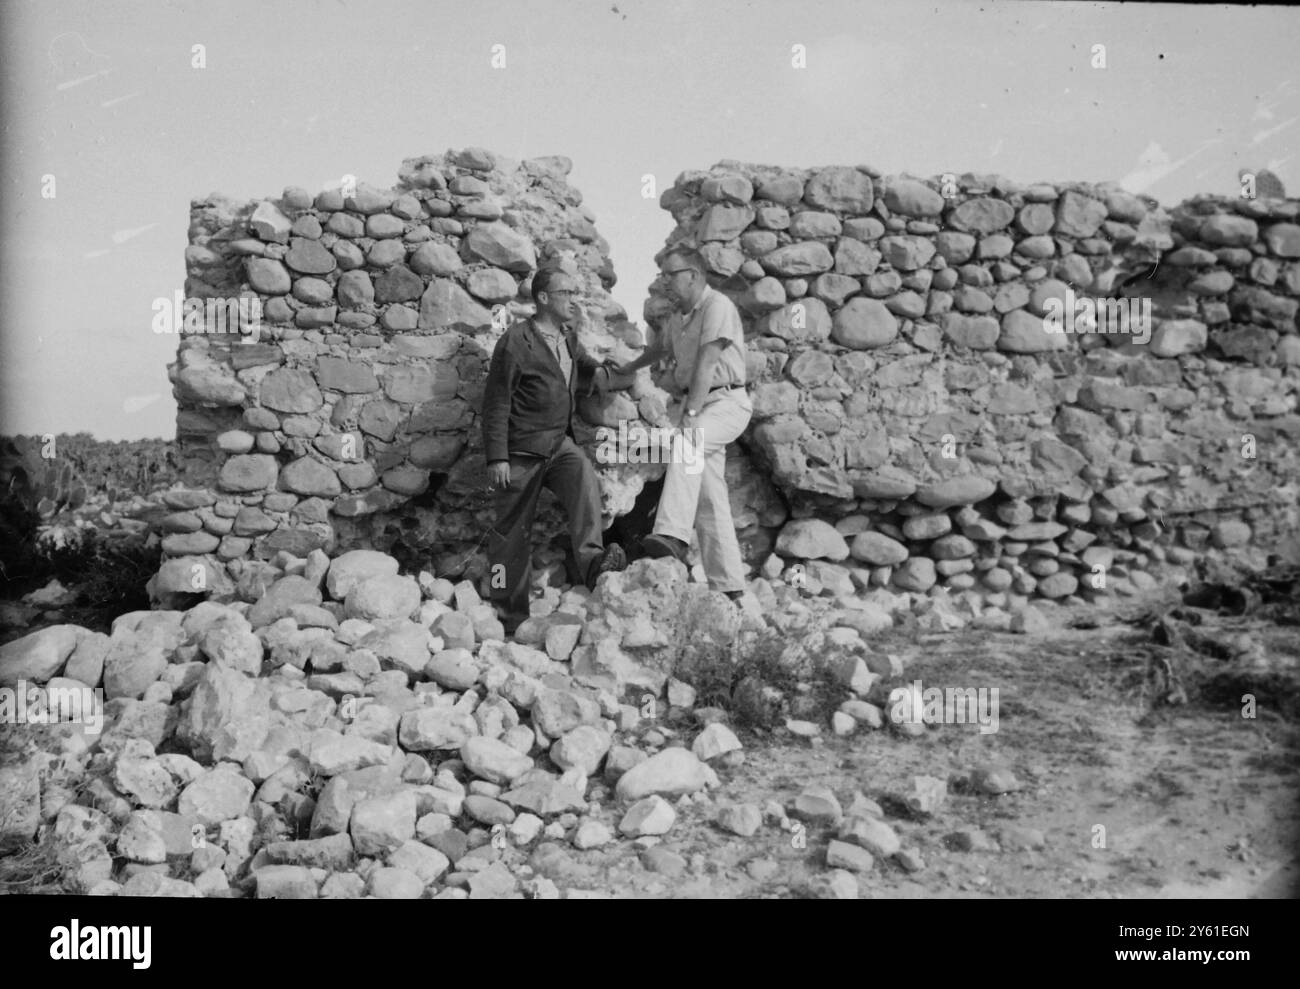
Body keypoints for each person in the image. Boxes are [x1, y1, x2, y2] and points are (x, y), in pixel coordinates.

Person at [481, 265, 628, 633]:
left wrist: (614, 373)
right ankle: (507, 611)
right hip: (520, 450)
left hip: (560, 444)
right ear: (543, 298)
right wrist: (497, 456)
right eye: (566, 294)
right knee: (510, 532)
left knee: (583, 480)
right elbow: (496, 401)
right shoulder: (516, 341)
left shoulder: (568, 340)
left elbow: (593, 372)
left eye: (576, 294)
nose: (573, 301)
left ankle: (596, 565)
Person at [612, 247, 753, 603]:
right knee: (709, 495)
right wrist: (627, 369)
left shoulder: (717, 306)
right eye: (662, 275)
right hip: (701, 403)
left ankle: (673, 535)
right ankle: (729, 585)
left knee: (688, 445)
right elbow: (659, 351)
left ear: (693, 274)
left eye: (670, 274)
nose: (664, 282)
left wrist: (689, 417)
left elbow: (707, 364)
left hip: (725, 402)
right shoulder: (679, 316)